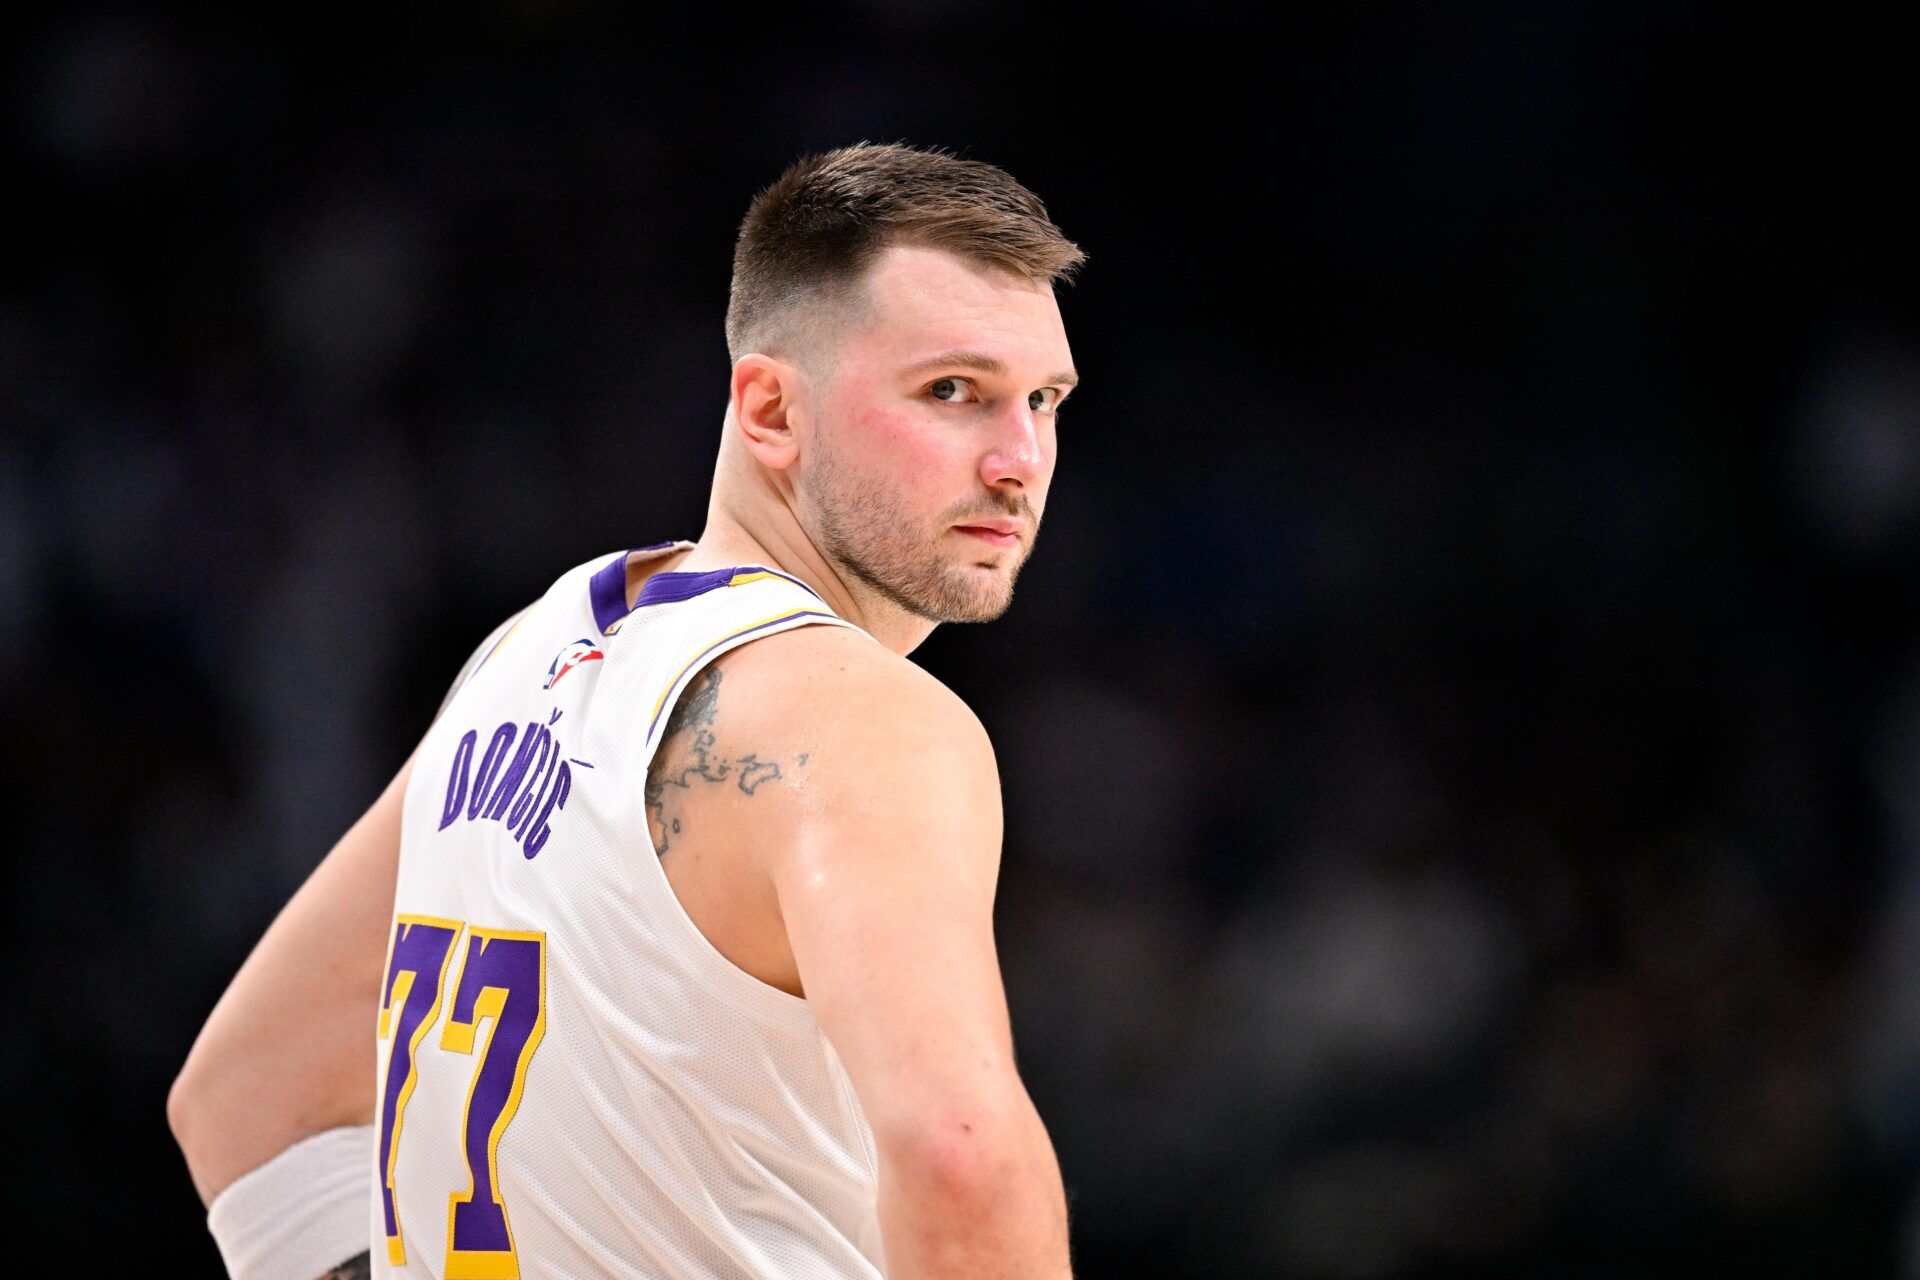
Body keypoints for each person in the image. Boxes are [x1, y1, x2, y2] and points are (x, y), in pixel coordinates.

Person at [167, 141, 1084, 1280]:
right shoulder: (864, 723)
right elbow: (959, 1158)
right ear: (769, 409)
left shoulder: (529, 648)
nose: (1019, 459)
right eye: (954, 391)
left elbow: (246, 1095)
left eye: (1043, 399)